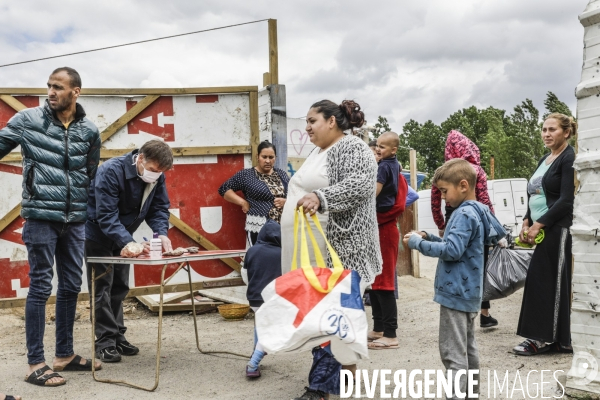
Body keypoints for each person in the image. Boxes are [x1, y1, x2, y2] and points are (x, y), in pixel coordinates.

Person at [0, 67, 102, 387]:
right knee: (42, 287)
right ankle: (35, 363)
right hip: (41, 217)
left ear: (76, 92)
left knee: (71, 285)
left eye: (58, 87)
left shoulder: (89, 131)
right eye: (49, 86)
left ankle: (64, 355)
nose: (51, 92)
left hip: (74, 222)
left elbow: (90, 173)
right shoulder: (28, 120)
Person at [280, 99, 382, 400]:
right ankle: (345, 379)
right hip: (313, 250)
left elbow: (361, 184)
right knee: (338, 316)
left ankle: (320, 387)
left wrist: (320, 197)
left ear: (332, 122)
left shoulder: (352, 148)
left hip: (341, 249)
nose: (307, 127)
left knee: (326, 315)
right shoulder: (319, 151)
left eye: (312, 121)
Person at [405, 158, 504, 399]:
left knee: (453, 354)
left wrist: (418, 244)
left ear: (462, 185)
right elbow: (457, 245)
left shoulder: (462, 214)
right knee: (468, 351)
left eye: (443, 191)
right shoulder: (479, 210)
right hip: (470, 292)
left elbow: (452, 251)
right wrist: (429, 235)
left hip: (455, 293)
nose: (442, 197)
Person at [85, 140, 173, 363]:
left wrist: (161, 233)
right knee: (101, 287)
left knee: (120, 286)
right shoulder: (110, 171)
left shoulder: (156, 175)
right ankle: (104, 341)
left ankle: (117, 337)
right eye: (153, 170)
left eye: (160, 172)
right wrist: (128, 242)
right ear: (140, 159)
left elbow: (159, 207)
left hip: (123, 235)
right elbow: (106, 215)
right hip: (97, 234)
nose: (156, 175)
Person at [513, 113, 576, 356]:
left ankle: (543, 339)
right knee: (540, 280)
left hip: (558, 229)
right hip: (541, 227)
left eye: (552, 129)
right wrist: (527, 220)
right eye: (544, 129)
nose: (546, 134)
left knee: (551, 282)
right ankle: (560, 339)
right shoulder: (545, 158)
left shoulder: (568, 158)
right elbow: (535, 193)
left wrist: (540, 224)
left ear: (566, 132)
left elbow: (566, 201)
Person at [431, 130, 498, 328]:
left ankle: (458, 304)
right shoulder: (477, 170)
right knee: (479, 264)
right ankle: (483, 312)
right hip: (478, 218)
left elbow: (436, 204)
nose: (443, 194)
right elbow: (485, 201)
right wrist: (492, 226)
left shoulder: (443, 173)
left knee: (455, 260)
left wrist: (441, 225)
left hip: (453, 217)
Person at [367, 132, 406, 350]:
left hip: (385, 229)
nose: (378, 150)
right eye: (376, 147)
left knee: (384, 282)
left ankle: (391, 333)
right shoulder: (387, 166)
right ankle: (379, 327)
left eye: (382, 147)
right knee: (375, 280)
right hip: (377, 228)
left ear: (393, 150)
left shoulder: (388, 170)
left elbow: (398, 206)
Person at [219, 141, 289, 246]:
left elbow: (293, 194)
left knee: (280, 259)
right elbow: (224, 189)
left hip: (282, 227)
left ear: (276, 157)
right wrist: (242, 202)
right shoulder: (247, 175)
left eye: (271, 157)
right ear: (257, 157)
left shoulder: (282, 174)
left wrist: (287, 202)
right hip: (259, 227)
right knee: (261, 258)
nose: (267, 161)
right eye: (264, 157)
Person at [241, 219, 282, 378]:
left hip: (254, 299)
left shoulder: (252, 251)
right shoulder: (283, 253)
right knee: (271, 331)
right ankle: (253, 364)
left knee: (261, 324)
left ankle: (256, 350)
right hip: (273, 298)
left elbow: (245, 275)